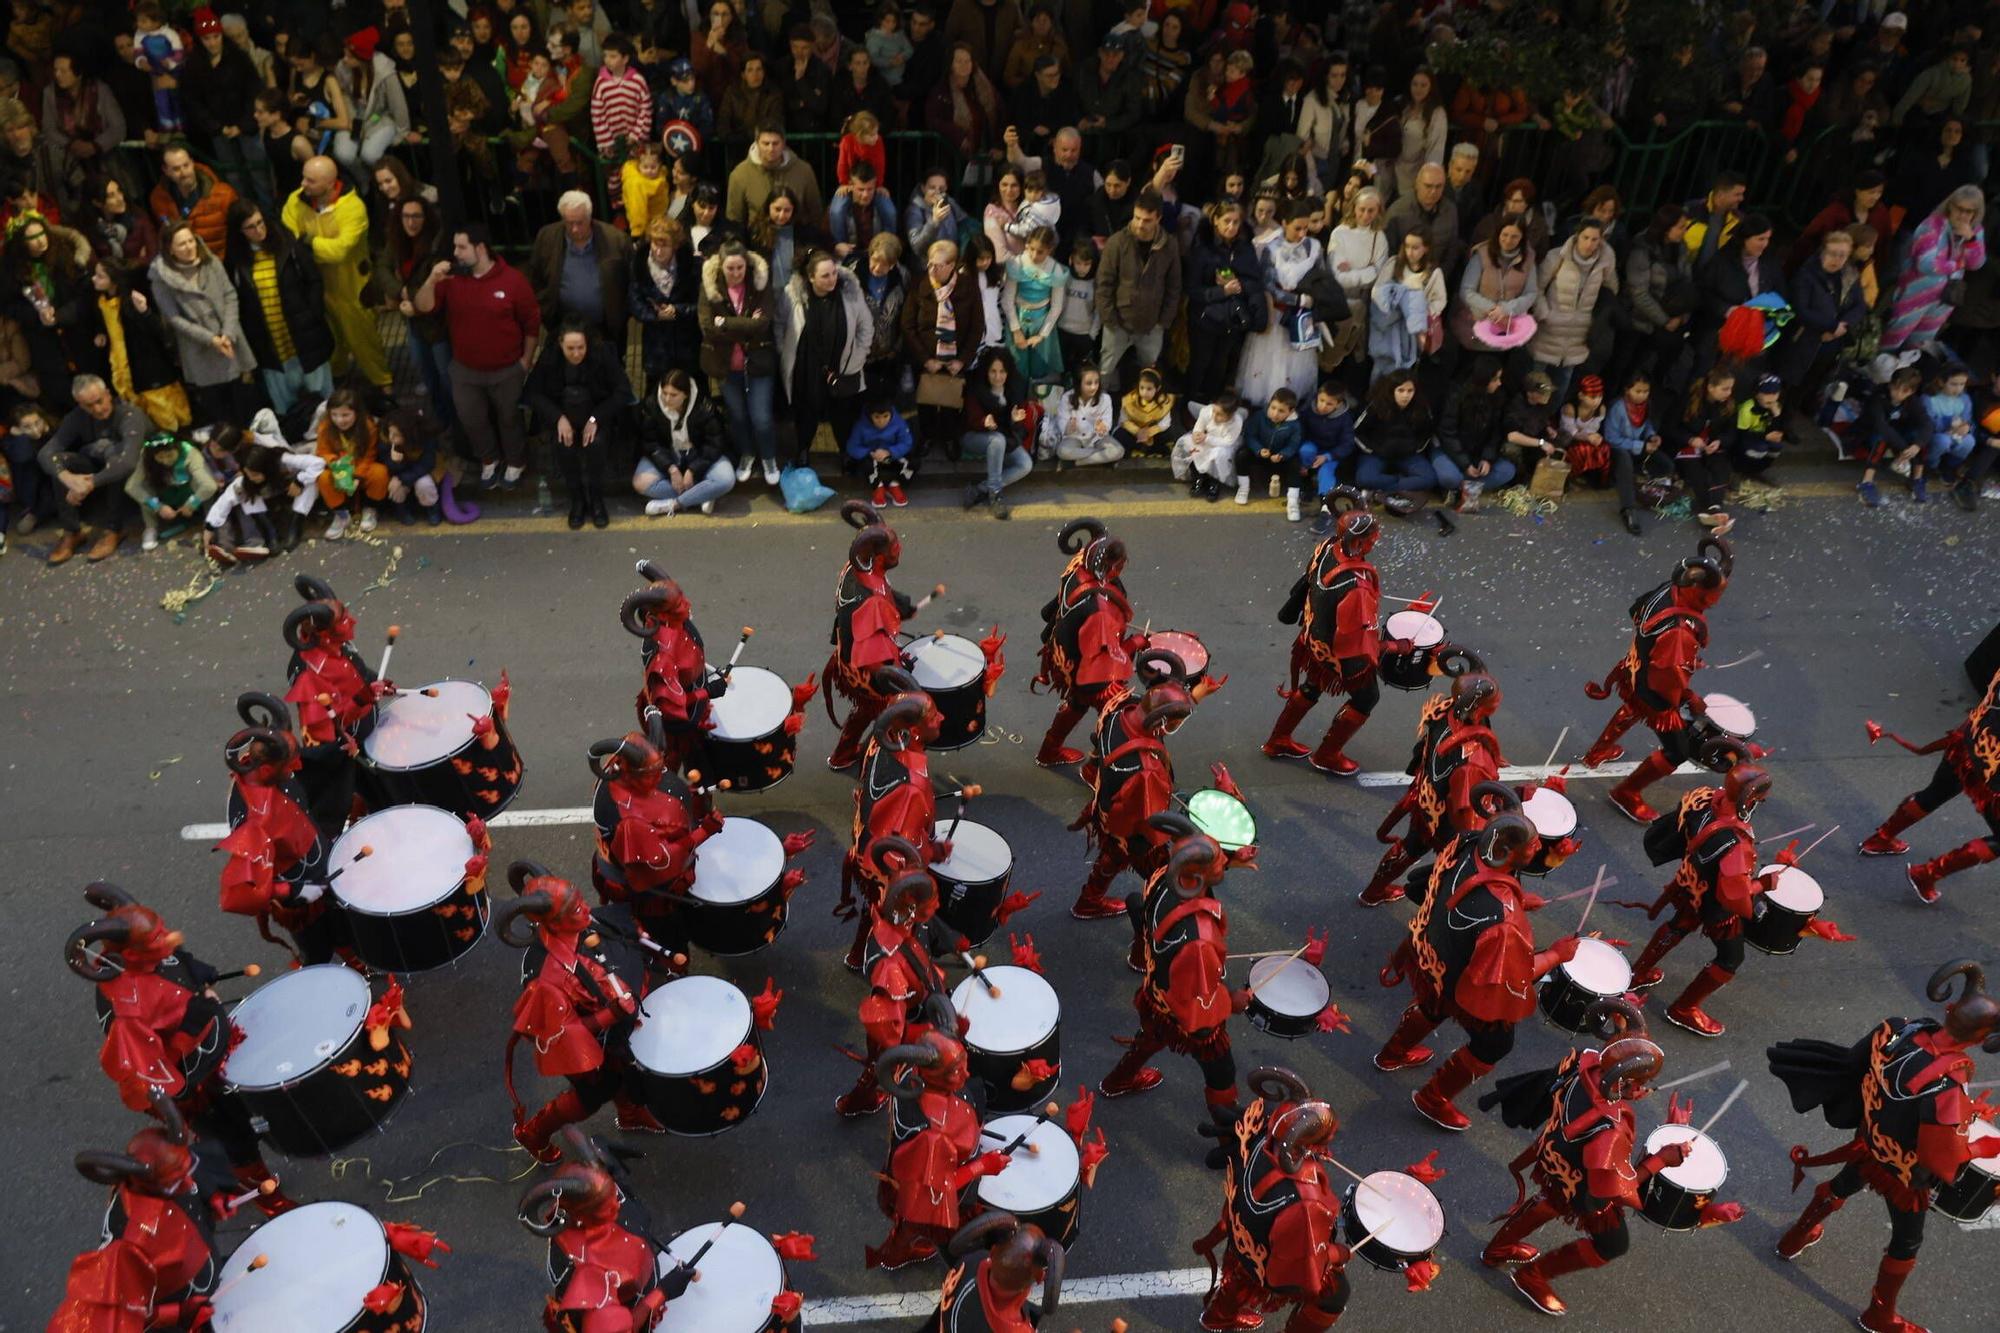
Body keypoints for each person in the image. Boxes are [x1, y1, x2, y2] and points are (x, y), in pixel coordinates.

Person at [1769, 959, 2000, 1333]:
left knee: (1844, 1183)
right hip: (1903, 1173)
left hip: (1870, 1140)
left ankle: (1794, 1239)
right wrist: (1980, 1144)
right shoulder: (1947, 1090)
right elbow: (1942, 1165)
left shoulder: (1896, 1029)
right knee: (1907, 1241)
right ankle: (1878, 1315)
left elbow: (1853, 1065)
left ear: (1948, 1009)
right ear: (1978, 1040)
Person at [1479, 1000, 1741, 1317]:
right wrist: (1663, 1158)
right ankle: (1531, 1276)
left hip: (1553, 1154)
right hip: (1583, 1184)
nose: (1642, 1089)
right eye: (1638, 1084)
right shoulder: (1612, 1128)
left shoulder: (1583, 1065)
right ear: (1624, 1081)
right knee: (1612, 1245)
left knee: (1550, 1197)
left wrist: (1629, 1087)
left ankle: (1496, 1250)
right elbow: (1617, 1187)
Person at [1378, 796, 1584, 1129]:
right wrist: (1556, 955)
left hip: (1434, 953)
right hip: (1459, 974)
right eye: (1532, 847)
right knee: (1495, 1043)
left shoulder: (1469, 843)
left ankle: (1391, 1054)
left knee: (1433, 1005)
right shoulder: (1503, 924)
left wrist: (1515, 892)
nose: (1537, 850)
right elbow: (1512, 977)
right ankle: (1432, 1099)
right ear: (1511, 853)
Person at [1098, 812, 1255, 1152]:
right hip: (1182, 1009)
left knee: (1151, 1037)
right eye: (1216, 865)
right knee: (1221, 1072)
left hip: (1155, 994)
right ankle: (1230, 1139)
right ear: (1194, 877)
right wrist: (1233, 1000)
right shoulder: (1197, 943)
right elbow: (1196, 1011)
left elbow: (1201, 869)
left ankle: (1118, 1080)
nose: (1221, 869)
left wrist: (1232, 859)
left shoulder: (1162, 876)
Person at [503, 864, 666, 1157]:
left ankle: (629, 1112)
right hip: (586, 1040)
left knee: (625, 1071)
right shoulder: (546, 979)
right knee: (593, 1093)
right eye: (574, 908)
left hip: (616, 1029)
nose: (585, 909)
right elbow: (563, 1034)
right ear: (553, 922)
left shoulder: (580, 923)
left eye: (580, 901)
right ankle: (534, 1133)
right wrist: (610, 1015)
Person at [1579, 536, 1733, 820]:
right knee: (1676, 750)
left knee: (1632, 706)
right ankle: (1626, 793)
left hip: (1634, 666)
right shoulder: (1679, 632)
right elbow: (1668, 681)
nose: (1713, 604)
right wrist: (1687, 698)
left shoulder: (1669, 589)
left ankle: (1596, 754)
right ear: (1701, 593)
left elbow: (1634, 610)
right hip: (1654, 688)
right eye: (1712, 598)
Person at [1193, 1067, 1356, 1331]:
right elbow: (1308, 1259)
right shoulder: (1305, 1202)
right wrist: (1340, 1252)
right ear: (1304, 1146)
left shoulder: (1262, 1139)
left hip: (1242, 1233)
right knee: (1335, 1296)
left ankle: (1217, 1317)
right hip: (1266, 1255)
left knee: (1239, 1277)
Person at [413, 222, 542, 487]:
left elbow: (532, 324)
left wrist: (525, 361)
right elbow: (423, 306)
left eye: (462, 247)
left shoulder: (513, 281)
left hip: (506, 369)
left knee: (510, 419)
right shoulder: (451, 280)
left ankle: (516, 461)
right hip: (465, 369)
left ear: (480, 248)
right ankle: (489, 461)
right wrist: (431, 280)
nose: (456, 253)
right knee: (472, 420)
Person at [280, 155, 389, 390]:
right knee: (331, 340)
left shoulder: (353, 208)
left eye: (311, 181)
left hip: (352, 287)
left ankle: (383, 384)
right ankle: (337, 379)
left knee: (363, 340)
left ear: (330, 183)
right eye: (304, 178)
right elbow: (289, 241)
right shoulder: (295, 201)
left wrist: (307, 243)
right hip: (317, 286)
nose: (303, 184)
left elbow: (340, 252)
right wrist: (313, 246)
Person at [224, 199, 331, 417]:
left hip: (304, 333)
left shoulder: (286, 245)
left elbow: (314, 280)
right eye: (250, 227)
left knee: (325, 400)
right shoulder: (236, 261)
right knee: (285, 405)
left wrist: (313, 314)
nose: (259, 230)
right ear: (240, 231)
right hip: (269, 342)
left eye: (260, 222)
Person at [39, 372, 147, 564]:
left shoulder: (130, 414)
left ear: (107, 393)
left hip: (123, 468)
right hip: (92, 467)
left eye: (99, 401)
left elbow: (128, 461)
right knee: (59, 462)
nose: (97, 409)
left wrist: (90, 484)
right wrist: (68, 478)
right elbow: (46, 452)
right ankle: (72, 531)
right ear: (80, 404)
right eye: (89, 405)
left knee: (115, 458)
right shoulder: (76, 417)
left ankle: (114, 528)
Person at [526, 323, 625, 529]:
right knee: (564, 446)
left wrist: (595, 418)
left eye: (581, 347)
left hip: (596, 415)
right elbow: (533, 392)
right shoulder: (549, 359)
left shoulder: (602, 356)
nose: (576, 353)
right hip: (563, 417)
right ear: (560, 344)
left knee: (595, 445)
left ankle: (596, 498)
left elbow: (622, 392)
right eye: (570, 348)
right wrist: (558, 418)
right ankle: (577, 499)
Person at [698, 239, 781, 486]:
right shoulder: (709, 287)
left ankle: (768, 457)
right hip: (726, 366)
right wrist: (746, 325)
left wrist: (725, 322)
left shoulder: (760, 284)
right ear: (721, 268)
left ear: (747, 266)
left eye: (740, 268)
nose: (735, 274)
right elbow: (707, 327)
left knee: (762, 418)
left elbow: (763, 324)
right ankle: (747, 454)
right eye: (730, 269)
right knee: (737, 416)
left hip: (758, 363)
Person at [1239, 199, 1332, 407]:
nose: (1302, 234)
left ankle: (1291, 405)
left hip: (1303, 316)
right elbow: (1269, 285)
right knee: (1274, 363)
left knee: (1297, 364)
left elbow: (1322, 278)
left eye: (1306, 228)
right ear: (1284, 223)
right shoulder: (1272, 250)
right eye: (1297, 228)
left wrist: (1315, 296)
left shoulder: (1314, 247)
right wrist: (1296, 299)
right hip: (1278, 317)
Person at [901, 237, 982, 456]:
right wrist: (925, 359)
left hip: (955, 357)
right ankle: (927, 438)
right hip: (927, 356)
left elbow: (977, 327)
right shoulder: (919, 283)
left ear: (952, 265)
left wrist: (962, 360)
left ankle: (948, 439)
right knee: (926, 402)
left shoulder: (968, 286)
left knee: (952, 403)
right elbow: (907, 325)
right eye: (930, 263)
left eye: (938, 265)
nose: (932, 268)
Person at [180, 6, 267, 208]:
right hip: (219, 131)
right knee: (232, 173)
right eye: (206, 38)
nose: (212, 42)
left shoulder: (239, 58)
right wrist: (217, 127)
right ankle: (243, 209)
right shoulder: (193, 67)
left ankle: (268, 210)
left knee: (258, 171)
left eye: (215, 36)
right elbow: (193, 102)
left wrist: (244, 124)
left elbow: (253, 91)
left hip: (247, 125)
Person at [1095, 189, 1180, 395]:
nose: (1140, 224)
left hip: (1151, 325)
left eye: (1147, 220)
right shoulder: (1117, 242)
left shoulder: (1169, 245)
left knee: (1148, 373)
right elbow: (1104, 284)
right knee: (1105, 371)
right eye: (1137, 218)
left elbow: (1174, 286)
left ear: (1158, 218)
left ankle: (1143, 413)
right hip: (1118, 322)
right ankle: (1098, 408)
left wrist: (1163, 322)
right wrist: (1109, 319)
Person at [1884, 185, 1986, 352]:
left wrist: (1971, 240)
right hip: (1914, 295)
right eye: (1959, 208)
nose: (1963, 215)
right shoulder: (1931, 225)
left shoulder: (1976, 231)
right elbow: (1927, 264)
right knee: (1892, 341)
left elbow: (1977, 263)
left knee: (1916, 348)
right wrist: (1958, 265)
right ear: (1950, 205)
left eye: (1969, 211)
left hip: (1943, 301)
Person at [1528, 219, 1618, 403]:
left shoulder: (1605, 263)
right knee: (1536, 383)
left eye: (1595, 239)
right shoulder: (1557, 257)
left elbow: (1611, 291)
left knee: (1562, 385)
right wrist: (1545, 313)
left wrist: (1595, 319)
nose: (1590, 244)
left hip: (1579, 333)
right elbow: (1536, 287)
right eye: (1586, 237)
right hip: (1550, 328)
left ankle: (1548, 421)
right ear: (1577, 236)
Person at [529, 190, 631, 345]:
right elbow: (536, 279)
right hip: (563, 329)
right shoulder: (546, 238)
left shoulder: (616, 241)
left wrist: (621, 314)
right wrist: (546, 309)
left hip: (607, 331)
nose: (575, 229)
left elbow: (630, 282)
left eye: (580, 222)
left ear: (590, 218)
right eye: (569, 223)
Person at [632, 367, 733, 519]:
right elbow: (650, 443)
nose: (666, 399)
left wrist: (692, 470)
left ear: (685, 395)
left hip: (698, 454)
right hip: (669, 454)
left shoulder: (703, 407)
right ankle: (702, 495)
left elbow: (715, 444)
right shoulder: (652, 405)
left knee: (726, 480)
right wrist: (671, 468)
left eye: (673, 395)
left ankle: (674, 504)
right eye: (664, 393)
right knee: (640, 483)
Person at [1432, 356, 1519, 509]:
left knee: (1507, 471)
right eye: (1495, 379)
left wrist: (1487, 458)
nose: (1499, 383)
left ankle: (1460, 489)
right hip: (1449, 452)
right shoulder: (1457, 396)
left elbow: (1496, 434)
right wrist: (1464, 463)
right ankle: (1459, 485)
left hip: (1477, 455)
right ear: (1484, 379)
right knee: (1449, 477)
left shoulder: (1497, 397)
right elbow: (1447, 432)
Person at [960, 345, 1035, 517]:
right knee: (997, 439)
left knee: (1025, 465)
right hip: (973, 436)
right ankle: (995, 496)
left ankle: (979, 489)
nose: (998, 376)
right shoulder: (976, 387)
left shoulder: (1014, 389)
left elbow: (1015, 430)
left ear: (1008, 372)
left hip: (1003, 437)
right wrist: (983, 421)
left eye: (1002, 371)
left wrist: (1014, 421)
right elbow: (970, 419)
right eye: (993, 371)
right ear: (986, 371)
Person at [1368, 230, 1444, 382]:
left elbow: (1440, 300)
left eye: (1415, 248)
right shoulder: (1394, 263)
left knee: (1403, 369)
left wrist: (1420, 310)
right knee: (1381, 367)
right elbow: (1377, 290)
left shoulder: (1433, 272)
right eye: (1407, 246)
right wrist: (1394, 303)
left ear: (1426, 248)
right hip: (1388, 325)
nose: (1410, 252)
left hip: (1410, 331)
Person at [631, 215, 698, 387]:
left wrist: (678, 310)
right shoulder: (639, 267)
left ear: (675, 246)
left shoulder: (689, 266)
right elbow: (634, 303)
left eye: (664, 245)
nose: (658, 251)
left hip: (687, 346)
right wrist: (655, 315)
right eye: (655, 244)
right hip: (656, 349)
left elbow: (700, 304)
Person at [124, 431, 218, 553]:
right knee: (144, 490)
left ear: (177, 448)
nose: (166, 460)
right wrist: (157, 506)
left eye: (169, 455)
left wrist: (192, 504)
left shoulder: (190, 453)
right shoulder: (146, 455)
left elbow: (210, 486)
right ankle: (151, 527)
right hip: (165, 491)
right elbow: (131, 486)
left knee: (202, 484)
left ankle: (210, 524)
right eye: (160, 457)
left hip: (188, 490)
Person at [312, 388, 386, 539]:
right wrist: (336, 464)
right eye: (334, 415)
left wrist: (358, 476)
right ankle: (341, 515)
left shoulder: (368, 426)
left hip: (361, 467)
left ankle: (369, 509)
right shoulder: (325, 427)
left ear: (357, 413)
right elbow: (322, 452)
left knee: (380, 473)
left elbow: (369, 455)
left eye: (345, 415)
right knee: (323, 478)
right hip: (338, 468)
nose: (340, 420)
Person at [1855, 364, 1929, 508]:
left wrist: (1916, 445)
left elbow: (1926, 423)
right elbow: (1881, 426)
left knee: (1919, 437)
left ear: (1912, 392)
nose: (1898, 393)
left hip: (1898, 434)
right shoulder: (1878, 396)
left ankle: (1917, 479)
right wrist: (1903, 448)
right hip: (1871, 433)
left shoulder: (1913, 401)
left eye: (1904, 391)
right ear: (1890, 384)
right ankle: (1866, 481)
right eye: (1895, 388)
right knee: (1881, 439)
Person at [726, 124, 826, 230]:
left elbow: (815, 213)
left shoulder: (804, 171)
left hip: (797, 238)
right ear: (757, 144)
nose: (771, 148)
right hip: (756, 239)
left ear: (783, 144)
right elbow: (734, 219)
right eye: (766, 143)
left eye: (775, 143)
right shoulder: (740, 174)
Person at [149, 144, 238, 259]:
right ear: (166, 170)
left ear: (192, 163)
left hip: (220, 260)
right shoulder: (158, 198)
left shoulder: (224, 194)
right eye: (176, 169)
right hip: (185, 265)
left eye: (186, 165)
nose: (183, 172)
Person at [1172, 388, 1243, 500]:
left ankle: (1214, 482)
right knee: (1187, 443)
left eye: (1220, 415)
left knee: (1219, 454)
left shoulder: (1236, 421)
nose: (1215, 416)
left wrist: (1207, 438)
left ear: (1230, 415)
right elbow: (1199, 426)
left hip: (1222, 445)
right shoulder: (1207, 411)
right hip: (1206, 439)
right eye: (1214, 411)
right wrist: (1196, 434)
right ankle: (1199, 477)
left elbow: (1228, 441)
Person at [379, 411, 443, 526]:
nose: (391, 437)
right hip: (401, 473)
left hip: (419, 473)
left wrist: (402, 478)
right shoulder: (386, 442)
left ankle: (431, 507)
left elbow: (426, 465)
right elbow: (387, 466)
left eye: (396, 434)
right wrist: (396, 463)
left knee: (424, 484)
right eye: (390, 433)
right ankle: (401, 509)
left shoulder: (425, 440)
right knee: (395, 488)